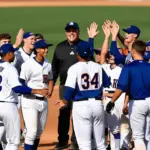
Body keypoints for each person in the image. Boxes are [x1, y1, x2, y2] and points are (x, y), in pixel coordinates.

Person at [52, 21, 99, 150]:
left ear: (78, 32)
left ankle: (76, 141)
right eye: (69, 30)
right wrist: (51, 85)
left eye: (74, 30)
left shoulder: (84, 45)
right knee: (64, 113)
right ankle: (62, 141)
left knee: (78, 114)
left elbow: (92, 65)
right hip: (64, 86)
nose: (71, 33)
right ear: (65, 32)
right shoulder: (60, 47)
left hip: (81, 88)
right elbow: (55, 68)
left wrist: (91, 39)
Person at [56, 41, 110, 150]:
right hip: (98, 105)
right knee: (100, 143)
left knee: (84, 145)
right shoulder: (98, 67)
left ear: (78, 54)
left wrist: (64, 101)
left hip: (81, 106)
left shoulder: (74, 68)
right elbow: (107, 83)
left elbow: (70, 89)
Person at [0, 43, 49, 150]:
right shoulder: (10, 68)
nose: (14, 55)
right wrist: (35, 90)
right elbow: (17, 88)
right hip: (8, 106)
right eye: (13, 53)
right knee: (13, 142)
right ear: (8, 54)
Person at [106, 40, 150, 150]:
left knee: (138, 137)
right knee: (148, 136)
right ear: (144, 51)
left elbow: (121, 87)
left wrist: (112, 102)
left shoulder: (129, 67)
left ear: (134, 51)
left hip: (137, 104)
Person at [20, 40, 53, 150]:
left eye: (47, 48)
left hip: (43, 102)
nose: (46, 50)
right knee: (32, 132)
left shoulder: (48, 63)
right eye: (44, 48)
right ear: (37, 50)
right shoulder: (28, 65)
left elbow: (51, 79)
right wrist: (37, 91)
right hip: (30, 101)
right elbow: (21, 85)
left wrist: (51, 89)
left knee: (39, 132)